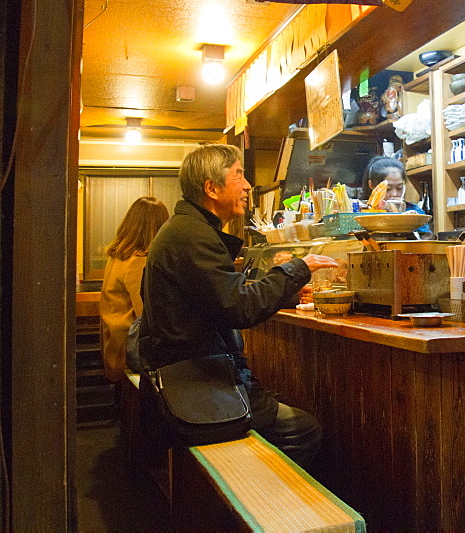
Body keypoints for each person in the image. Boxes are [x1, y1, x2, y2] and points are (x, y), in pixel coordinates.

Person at [139, 143, 338, 467]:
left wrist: (288, 293)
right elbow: (239, 307)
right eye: (239, 175)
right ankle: (271, 510)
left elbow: (218, 294)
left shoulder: (186, 229)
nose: (247, 186)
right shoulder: (192, 236)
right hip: (201, 381)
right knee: (304, 430)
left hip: (194, 373)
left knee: (285, 407)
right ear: (211, 188)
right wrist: (298, 268)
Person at [99, 196, 169, 382]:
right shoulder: (138, 261)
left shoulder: (117, 255)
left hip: (114, 344)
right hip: (130, 352)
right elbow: (145, 314)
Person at [361, 155, 432, 234]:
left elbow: (426, 239)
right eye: (387, 189)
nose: (394, 194)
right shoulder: (362, 212)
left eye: (399, 188)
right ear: (372, 186)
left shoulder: (414, 212)